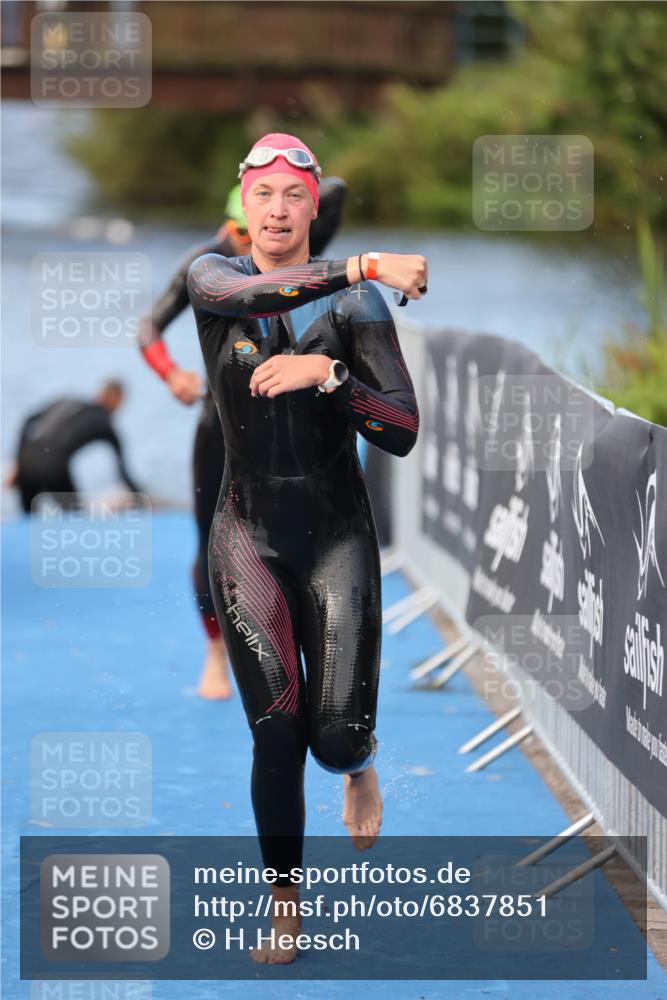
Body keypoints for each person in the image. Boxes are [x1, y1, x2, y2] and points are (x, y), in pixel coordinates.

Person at [186, 132, 425, 964]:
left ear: (312, 208)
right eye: (264, 196)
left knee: (332, 738)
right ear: (243, 207)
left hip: (337, 542)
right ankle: (284, 906)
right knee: (277, 732)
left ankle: (359, 764)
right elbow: (259, 295)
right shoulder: (212, 282)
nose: (278, 210)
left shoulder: (355, 312)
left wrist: (327, 377)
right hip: (246, 537)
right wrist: (365, 264)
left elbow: (401, 432)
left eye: (295, 196)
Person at [139, 179, 347, 700]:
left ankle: (306, 650)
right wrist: (172, 375)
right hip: (225, 423)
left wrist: (289, 188)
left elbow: (336, 189)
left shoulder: (293, 246)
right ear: (231, 224)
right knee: (209, 538)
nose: (248, 243)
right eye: (239, 231)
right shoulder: (207, 264)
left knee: (306, 536)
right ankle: (215, 651)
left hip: (297, 421)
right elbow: (148, 327)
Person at [8, 381, 141, 513]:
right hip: (53, 467)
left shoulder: (70, 402)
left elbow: (29, 419)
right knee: (75, 517)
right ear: (118, 401)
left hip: (26, 461)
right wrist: (141, 498)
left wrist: (18, 463)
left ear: (100, 393)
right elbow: (123, 472)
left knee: (28, 520)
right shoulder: (104, 423)